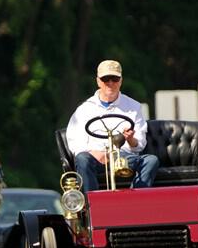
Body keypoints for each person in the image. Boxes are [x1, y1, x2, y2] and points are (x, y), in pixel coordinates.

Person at [66, 59, 159, 192]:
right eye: (106, 79)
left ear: (120, 81)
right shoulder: (84, 109)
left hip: (124, 157)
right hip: (96, 157)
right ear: (98, 81)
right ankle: (92, 204)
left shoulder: (133, 107)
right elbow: (75, 140)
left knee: (151, 160)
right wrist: (94, 153)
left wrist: (130, 139)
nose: (110, 83)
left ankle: (135, 200)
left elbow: (139, 144)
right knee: (82, 159)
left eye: (114, 79)